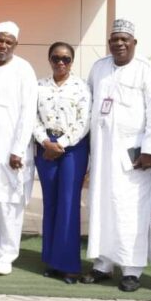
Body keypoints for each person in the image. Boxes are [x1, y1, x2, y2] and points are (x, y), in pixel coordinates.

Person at [81, 18, 151, 292]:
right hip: (103, 153)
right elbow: (88, 105)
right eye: (114, 39)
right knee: (102, 207)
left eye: (123, 40)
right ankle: (103, 264)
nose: (118, 44)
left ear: (134, 43)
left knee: (131, 213)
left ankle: (131, 270)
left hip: (135, 159)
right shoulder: (99, 68)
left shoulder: (147, 71)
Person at [0, 22, 37, 276]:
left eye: (8, 42)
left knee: (9, 204)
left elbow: (28, 113)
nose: (3, 46)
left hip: (11, 150)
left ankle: (7, 255)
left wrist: (19, 149)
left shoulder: (24, 70)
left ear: (15, 45)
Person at [32, 42, 92, 284]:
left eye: (66, 59)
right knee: (51, 204)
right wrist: (46, 142)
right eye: (56, 58)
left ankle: (69, 265)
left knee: (68, 205)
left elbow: (84, 120)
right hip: (46, 147)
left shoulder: (82, 87)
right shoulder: (39, 86)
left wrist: (62, 144)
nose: (61, 63)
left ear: (72, 61)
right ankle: (52, 262)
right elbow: (32, 117)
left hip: (72, 149)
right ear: (49, 59)